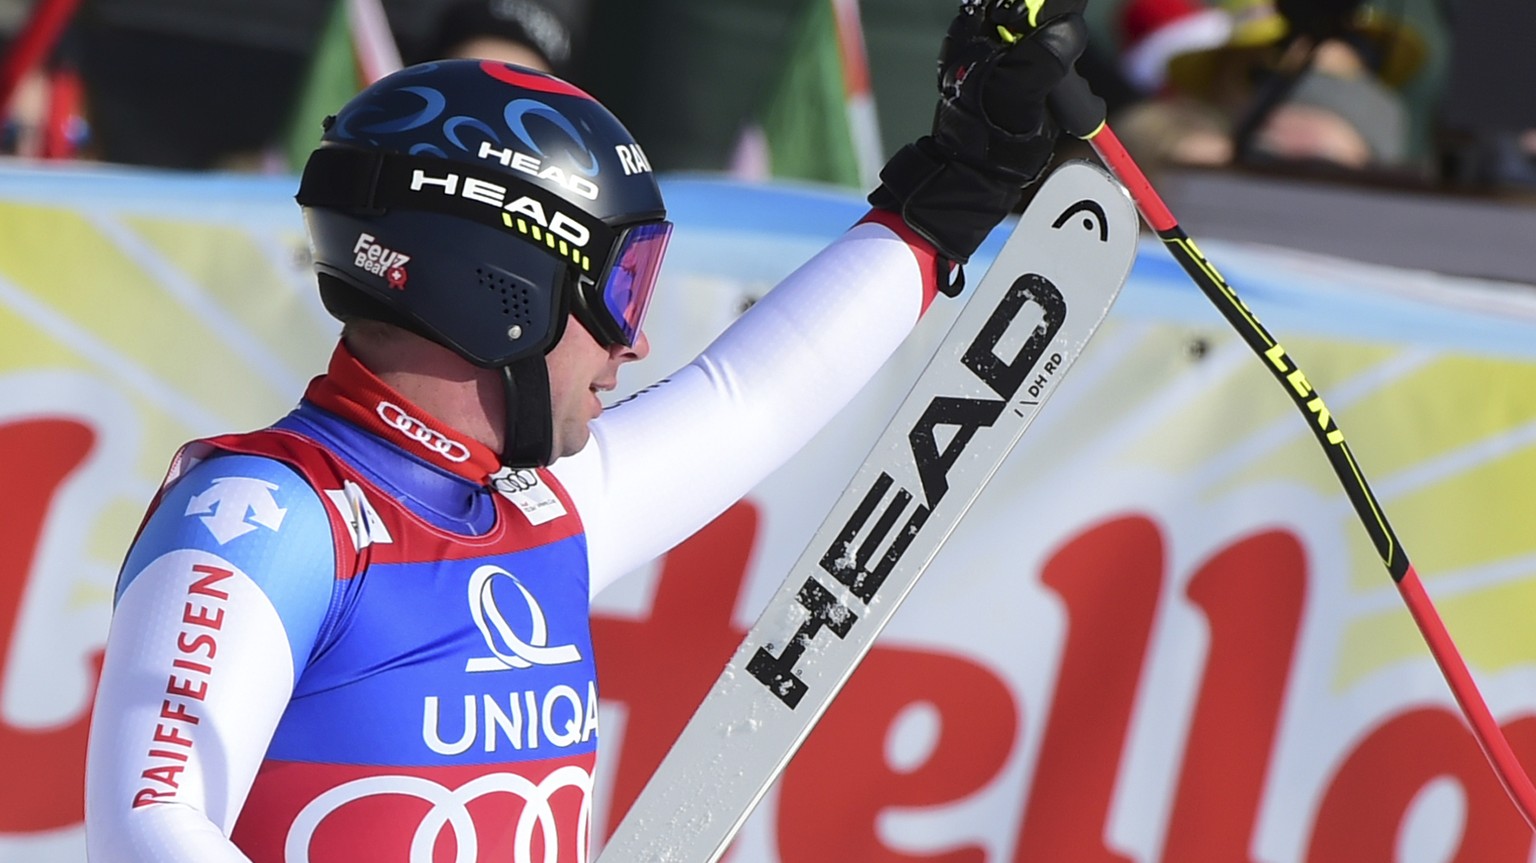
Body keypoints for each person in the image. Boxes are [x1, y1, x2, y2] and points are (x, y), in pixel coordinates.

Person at [81, 1, 1087, 860]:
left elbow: (756, 395)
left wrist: (961, 183)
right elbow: (151, 822)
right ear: (500, 291)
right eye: (617, 285)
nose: (633, 341)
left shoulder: (541, 508)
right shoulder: (264, 519)